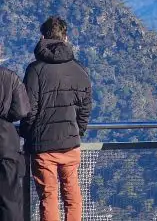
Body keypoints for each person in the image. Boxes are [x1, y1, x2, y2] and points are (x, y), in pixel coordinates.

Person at [20, 16, 93, 221]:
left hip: (42, 145)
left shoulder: (34, 70)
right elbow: (85, 107)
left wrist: (27, 134)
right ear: (66, 38)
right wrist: (78, 131)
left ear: (43, 37)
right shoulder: (79, 69)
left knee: (48, 196)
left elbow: (29, 109)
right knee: (72, 194)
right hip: (70, 143)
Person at [1, 65, 31, 221]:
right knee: (10, 199)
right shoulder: (10, 77)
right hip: (6, 141)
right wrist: (7, 116)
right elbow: (21, 110)